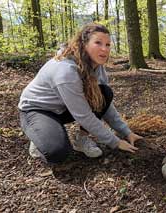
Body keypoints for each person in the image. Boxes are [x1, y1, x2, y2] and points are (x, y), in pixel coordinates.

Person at [18, 23, 143, 164]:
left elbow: (103, 104)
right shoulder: (66, 71)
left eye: (108, 45)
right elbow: (83, 115)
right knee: (57, 153)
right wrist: (115, 142)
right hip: (38, 109)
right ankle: (39, 135)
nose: (104, 49)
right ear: (84, 44)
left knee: (104, 93)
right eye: (98, 43)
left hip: (64, 107)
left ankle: (81, 140)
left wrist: (126, 132)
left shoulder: (96, 66)